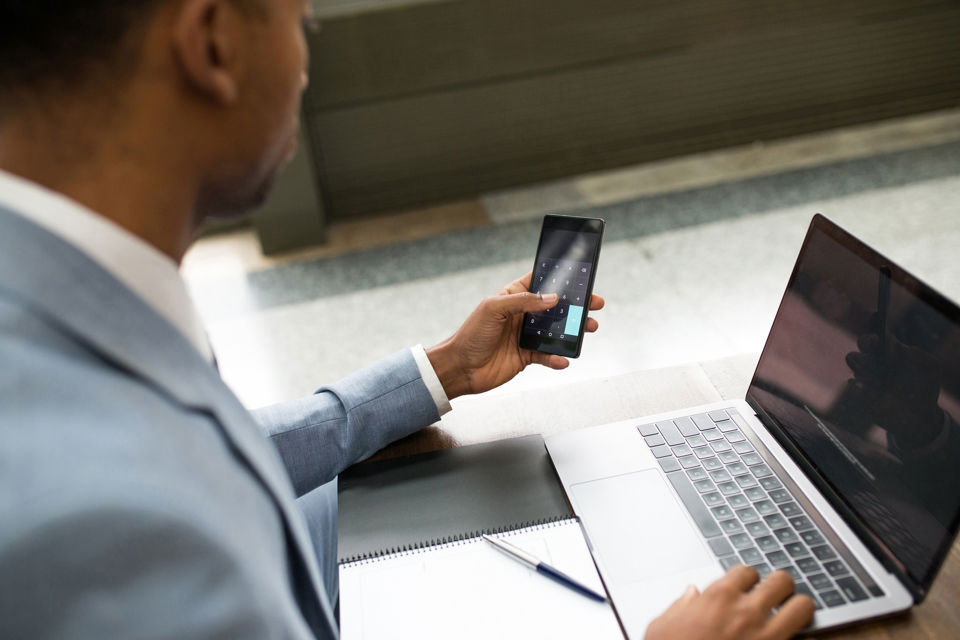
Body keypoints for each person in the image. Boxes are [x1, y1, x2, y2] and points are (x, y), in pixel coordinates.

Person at [0, 1, 814, 637]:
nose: (306, 66)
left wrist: (443, 372)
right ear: (214, 45)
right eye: (302, 22)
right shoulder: (86, 526)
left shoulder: (56, 300)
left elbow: (213, 460)